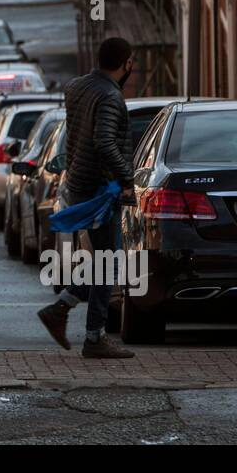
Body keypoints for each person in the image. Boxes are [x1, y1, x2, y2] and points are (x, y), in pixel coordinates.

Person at [36, 37, 137, 359]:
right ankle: (93, 337)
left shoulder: (77, 87)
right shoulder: (110, 96)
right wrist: (126, 178)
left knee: (105, 260)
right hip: (99, 189)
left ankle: (62, 309)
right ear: (127, 63)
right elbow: (105, 142)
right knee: (110, 262)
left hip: (79, 182)